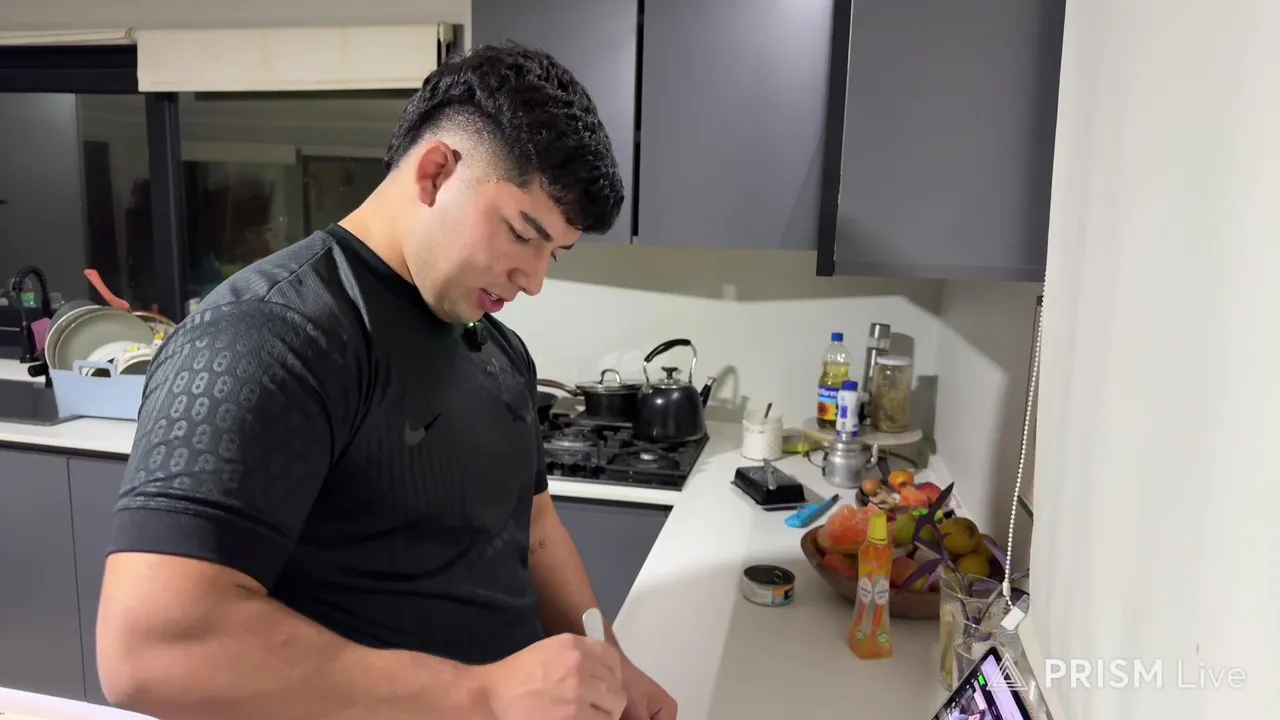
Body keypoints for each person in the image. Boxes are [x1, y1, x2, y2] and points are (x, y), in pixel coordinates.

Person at [95, 42, 676, 720]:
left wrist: (609, 664)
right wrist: (484, 696)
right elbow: (150, 648)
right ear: (436, 172)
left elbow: (534, 525)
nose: (535, 279)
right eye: (523, 234)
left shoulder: (498, 349)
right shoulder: (264, 336)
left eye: (555, 253)